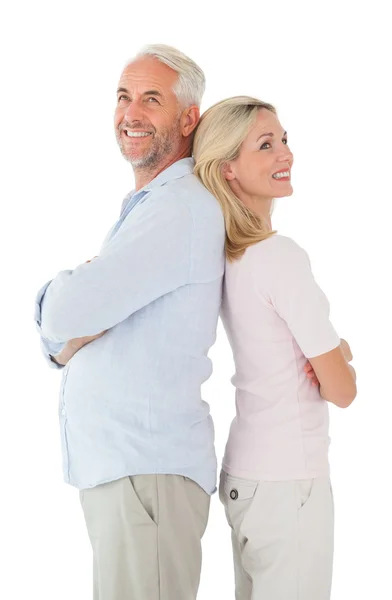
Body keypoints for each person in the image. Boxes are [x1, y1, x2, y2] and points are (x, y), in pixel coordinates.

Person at [34, 45, 225, 600]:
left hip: (147, 475)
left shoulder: (179, 207)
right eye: (123, 97)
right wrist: (72, 322)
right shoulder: (154, 206)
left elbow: (68, 313)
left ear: (189, 118)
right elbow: (77, 321)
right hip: (132, 475)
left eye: (151, 99)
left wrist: (61, 300)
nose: (131, 113)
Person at [193, 96, 357, 599]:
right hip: (291, 482)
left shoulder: (224, 259)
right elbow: (343, 390)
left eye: (284, 140)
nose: (285, 153)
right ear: (229, 170)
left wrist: (330, 354)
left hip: (244, 478)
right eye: (266, 145)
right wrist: (339, 355)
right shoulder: (281, 257)